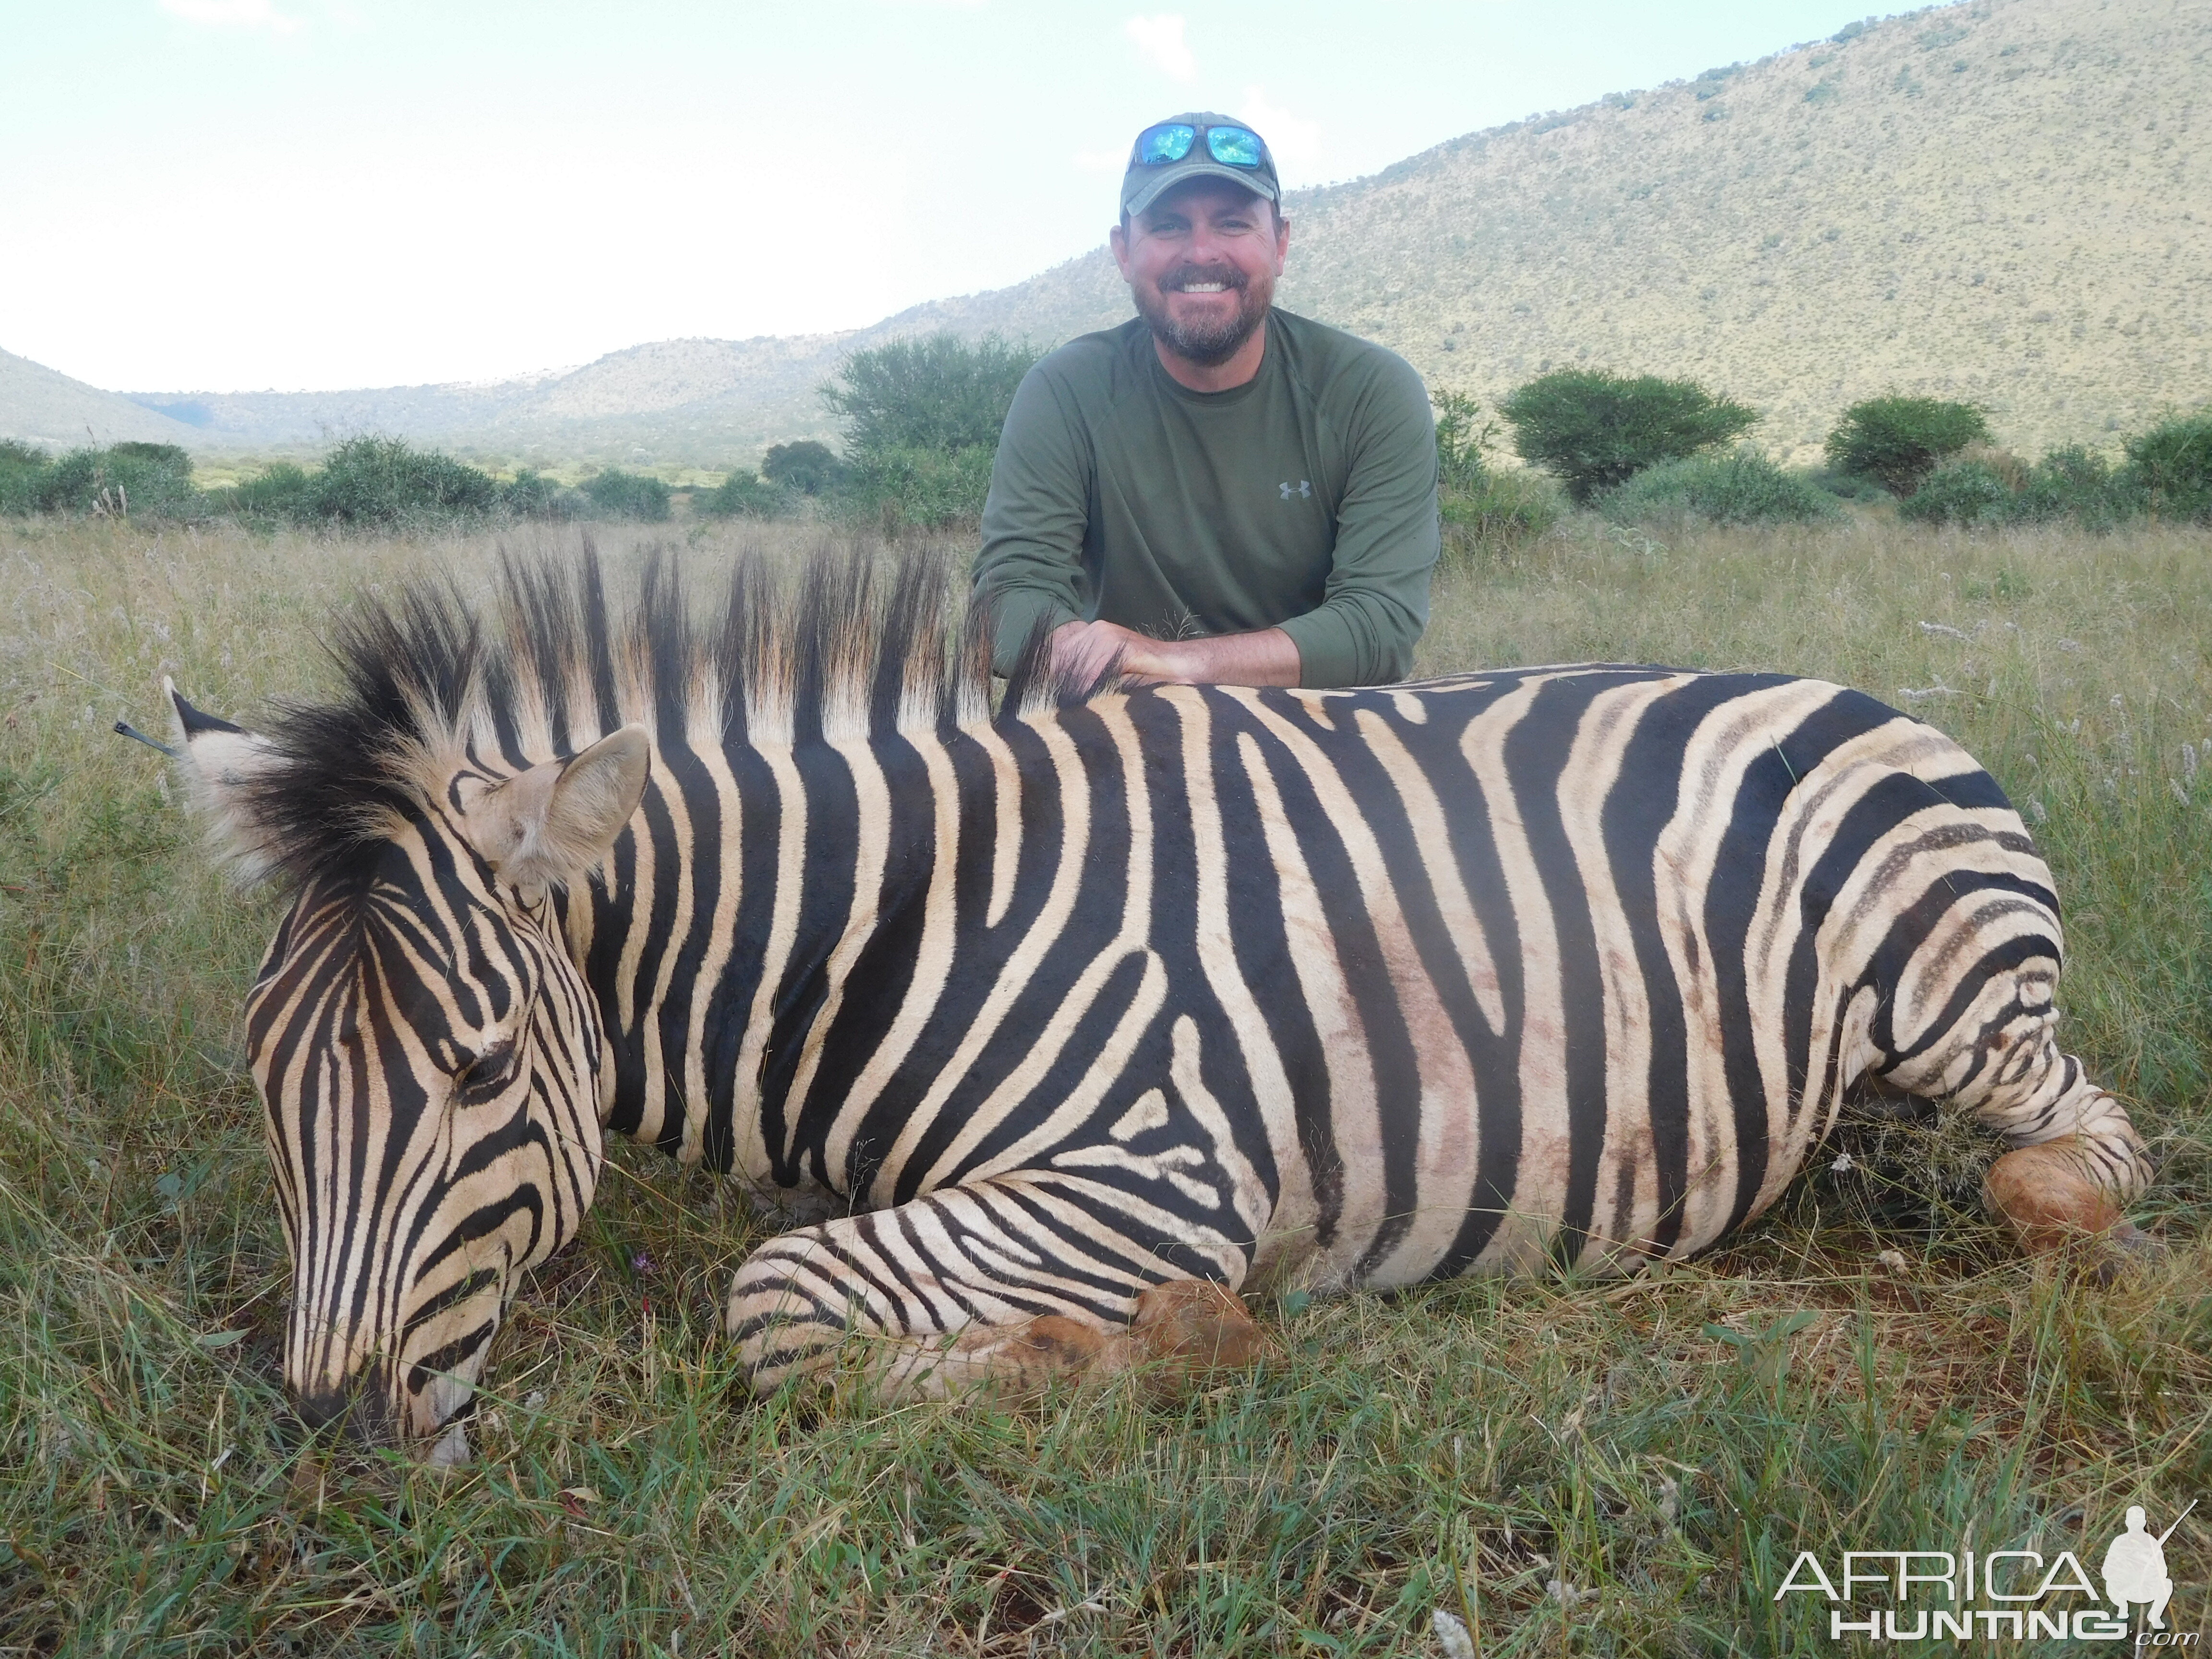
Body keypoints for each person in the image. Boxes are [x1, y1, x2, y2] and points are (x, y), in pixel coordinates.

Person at [974, 111, 1440, 689]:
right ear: (1123, 252)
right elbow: (1010, 594)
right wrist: (1081, 655)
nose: (1201, 252)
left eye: (1233, 224)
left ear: (1281, 243)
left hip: (1319, 742)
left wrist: (1169, 664)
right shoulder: (1064, 390)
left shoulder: (1371, 392)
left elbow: (1379, 624)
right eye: (1168, 226)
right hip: (1123, 728)